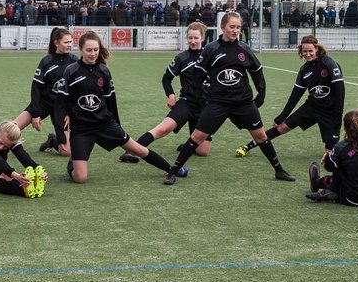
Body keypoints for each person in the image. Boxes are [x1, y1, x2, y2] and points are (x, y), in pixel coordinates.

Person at [163, 10, 296, 186]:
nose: (235, 30)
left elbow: (257, 72)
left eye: (238, 27)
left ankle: (279, 170)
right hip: (218, 103)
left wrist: (261, 93)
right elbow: (198, 76)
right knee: (196, 137)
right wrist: (199, 96)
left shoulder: (244, 49)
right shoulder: (211, 49)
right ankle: (172, 172)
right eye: (232, 26)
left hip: (243, 103)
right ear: (223, 27)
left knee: (261, 137)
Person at [52, 30, 177, 184]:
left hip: (104, 124)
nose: (93, 54)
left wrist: (117, 125)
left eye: (96, 50)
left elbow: (110, 101)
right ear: (81, 50)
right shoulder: (71, 71)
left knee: (137, 149)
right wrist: (62, 135)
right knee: (80, 178)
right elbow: (60, 103)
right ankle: (74, 162)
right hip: (81, 128)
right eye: (89, 50)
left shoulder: (103, 71)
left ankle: (172, 169)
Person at [236, 35, 345, 161]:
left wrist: (338, 114)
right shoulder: (304, 70)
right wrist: (282, 116)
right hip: (312, 107)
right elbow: (295, 95)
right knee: (281, 127)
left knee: (330, 155)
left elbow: (340, 90)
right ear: (301, 51)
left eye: (310, 51)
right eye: (305, 51)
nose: (308, 54)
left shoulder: (329, 63)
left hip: (330, 111)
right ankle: (248, 146)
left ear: (317, 49)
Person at [119, 22, 212, 167]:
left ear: (203, 38)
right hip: (186, 103)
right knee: (162, 129)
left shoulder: (210, 57)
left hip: (204, 107)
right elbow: (166, 78)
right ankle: (130, 151)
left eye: (196, 38)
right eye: (190, 38)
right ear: (186, 38)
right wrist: (171, 95)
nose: (193, 41)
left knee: (203, 152)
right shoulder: (182, 58)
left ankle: (188, 144)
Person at [305, 111, 358, 206]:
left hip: (352, 198)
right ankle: (325, 188)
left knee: (339, 164)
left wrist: (328, 156)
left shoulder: (342, 147)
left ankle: (322, 186)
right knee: (350, 165)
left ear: (345, 127)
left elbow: (329, 167)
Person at [15, 27, 76, 156]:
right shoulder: (46, 61)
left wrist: (70, 112)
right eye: (66, 42)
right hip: (43, 103)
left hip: (62, 108)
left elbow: (77, 91)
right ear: (56, 43)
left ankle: (52, 141)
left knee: (66, 152)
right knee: (12, 128)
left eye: (71, 42)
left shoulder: (75, 61)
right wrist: (35, 113)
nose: (69, 45)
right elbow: (36, 88)